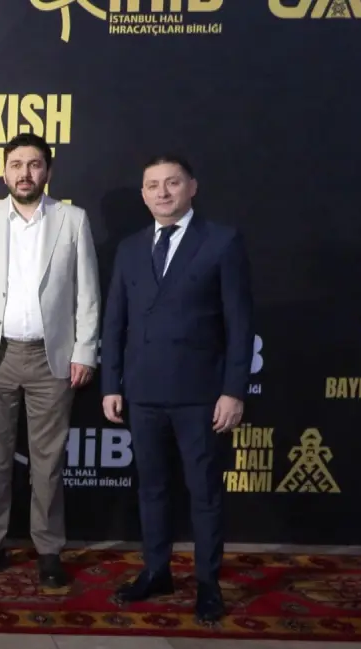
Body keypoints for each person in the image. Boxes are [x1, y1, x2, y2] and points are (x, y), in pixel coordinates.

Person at [102, 154, 253, 623]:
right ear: (143, 194)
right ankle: (156, 571)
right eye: (152, 185)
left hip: (200, 394)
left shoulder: (221, 241)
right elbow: (114, 321)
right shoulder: (130, 247)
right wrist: (111, 383)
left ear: (192, 187)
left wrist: (233, 390)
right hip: (142, 392)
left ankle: (208, 583)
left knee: (204, 492)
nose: (162, 192)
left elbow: (240, 323)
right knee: (152, 488)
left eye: (172, 183)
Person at [0, 132, 100, 588]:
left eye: (34, 164)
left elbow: (88, 293)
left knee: (49, 461)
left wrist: (84, 351)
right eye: (16, 164)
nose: (25, 173)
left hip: (51, 358)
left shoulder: (72, 220)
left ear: (48, 171)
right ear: (4, 171)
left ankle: (49, 549)